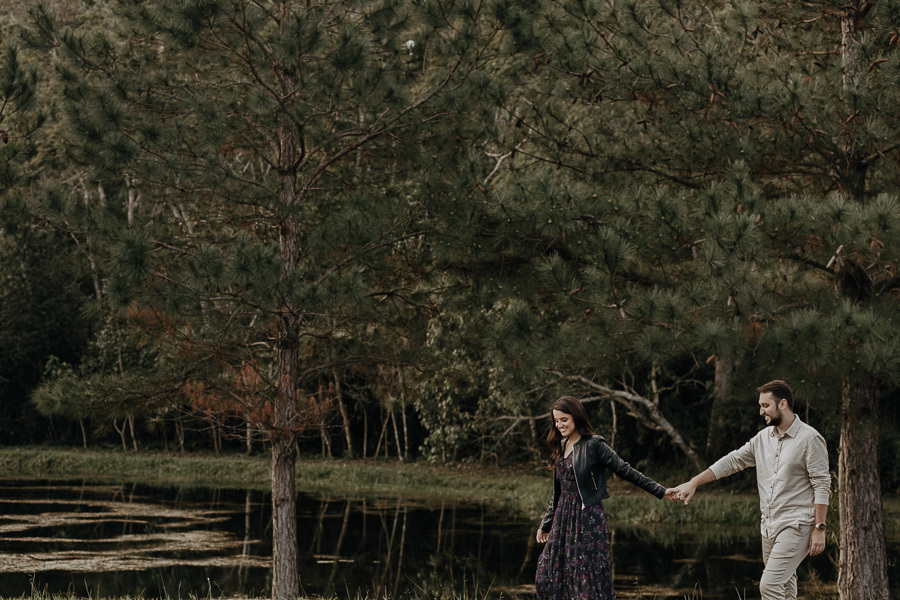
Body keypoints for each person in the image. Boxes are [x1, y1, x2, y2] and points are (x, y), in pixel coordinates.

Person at [672, 380, 830, 600]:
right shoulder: (763, 438)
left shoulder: (810, 438)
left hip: (797, 525)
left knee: (769, 586)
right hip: (769, 526)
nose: (761, 411)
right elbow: (732, 461)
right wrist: (695, 482)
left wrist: (819, 528)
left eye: (765, 405)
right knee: (784, 586)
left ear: (782, 404)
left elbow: (822, 484)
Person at [535, 395, 677, 600]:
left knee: (584, 578)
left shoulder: (594, 444)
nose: (559, 425)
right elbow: (558, 492)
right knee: (546, 573)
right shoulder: (561, 446)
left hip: (587, 518)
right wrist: (546, 523)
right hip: (562, 519)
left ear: (576, 417)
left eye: (564, 419)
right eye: (556, 421)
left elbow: (625, 470)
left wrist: (661, 491)